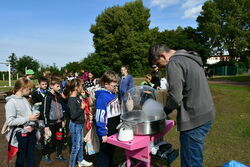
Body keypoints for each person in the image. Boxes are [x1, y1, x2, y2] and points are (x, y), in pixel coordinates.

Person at [148, 44, 216, 167]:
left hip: (194, 119)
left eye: (157, 63)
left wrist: (163, 113)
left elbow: (175, 97)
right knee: (195, 157)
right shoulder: (189, 57)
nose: (158, 67)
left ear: (163, 56)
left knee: (190, 162)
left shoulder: (174, 63)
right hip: (206, 113)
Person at [5, 78, 39, 167]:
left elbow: (29, 113)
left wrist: (35, 114)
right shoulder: (11, 102)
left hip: (31, 132)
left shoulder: (24, 99)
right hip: (20, 134)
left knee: (31, 156)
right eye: (29, 89)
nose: (31, 91)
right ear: (22, 88)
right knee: (21, 158)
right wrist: (28, 118)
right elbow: (10, 121)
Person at [64, 79, 93, 167]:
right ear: (76, 87)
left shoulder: (77, 98)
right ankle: (72, 165)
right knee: (75, 147)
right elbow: (73, 116)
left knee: (80, 144)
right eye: (81, 86)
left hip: (79, 125)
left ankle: (80, 161)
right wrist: (81, 108)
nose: (82, 88)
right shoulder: (71, 100)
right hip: (75, 125)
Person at [95, 71, 121, 167]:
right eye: (114, 86)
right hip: (106, 130)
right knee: (104, 154)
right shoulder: (102, 96)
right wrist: (103, 134)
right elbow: (100, 117)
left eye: (116, 86)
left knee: (111, 151)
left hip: (114, 129)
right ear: (106, 84)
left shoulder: (112, 94)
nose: (116, 88)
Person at [41, 77, 68, 164]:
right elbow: (44, 112)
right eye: (58, 86)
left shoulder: (59, 96)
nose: (60, 88)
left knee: (60, 139)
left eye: (60, 86)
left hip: (59, 123)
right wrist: (46, 126)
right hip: (50, 123)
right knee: (49, 140)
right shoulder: (47, 97)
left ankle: (59, 155)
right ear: (52, 86)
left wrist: (63, 120)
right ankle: (45, 155)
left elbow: (62, 109)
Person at [31, 76, 49, 150]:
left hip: (47, 114)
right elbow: (33, 103)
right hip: (40, 114)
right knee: (40, 129)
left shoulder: (48, 92)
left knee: (47, 129)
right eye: (43, 84)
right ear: (39, 84)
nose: (44, 86)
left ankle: (46, 142)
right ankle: (38, 142)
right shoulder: (35, 93)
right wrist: (42, 103)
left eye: (45, 84)